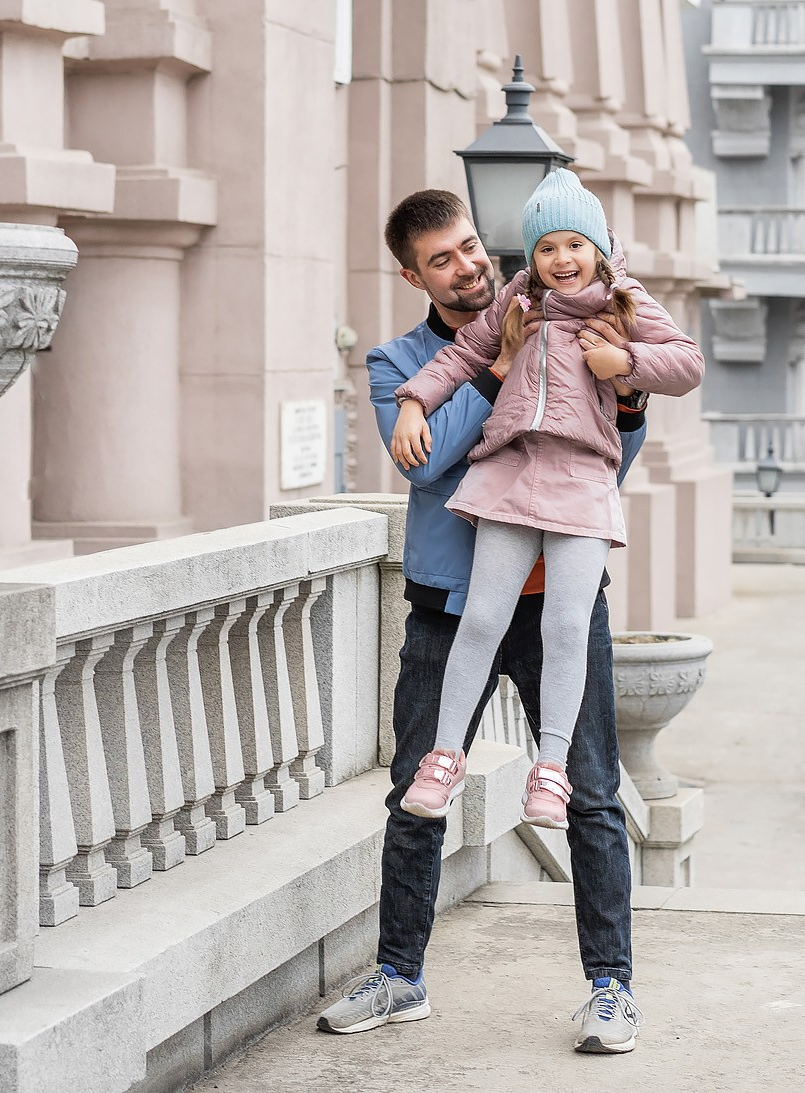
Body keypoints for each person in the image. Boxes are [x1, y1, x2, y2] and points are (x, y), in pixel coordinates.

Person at [317, 183, 651, 1054]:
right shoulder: (397, 366)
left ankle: (611, 989)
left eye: (470, 246)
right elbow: (428, 472)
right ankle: (400, 976)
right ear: (412, 274)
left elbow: (613, 449)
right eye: (442, 259)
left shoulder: (567, 317)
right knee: (416, 791)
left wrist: (629, 393)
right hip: (447, 606)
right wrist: (501, 367)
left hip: (557, 606)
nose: (466, 265)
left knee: (593, 795)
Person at [390, 169, 702, 837]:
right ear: (530, 255)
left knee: (566, 626)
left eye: (573, 244)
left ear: (596, 245)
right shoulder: (519, 301)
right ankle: (443, 759)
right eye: (546, 248)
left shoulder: (622, 298)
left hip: (582, 479)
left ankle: (551, 768)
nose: (561, 260)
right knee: (480, 618)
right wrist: (413, 401)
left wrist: (627, 366)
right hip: (510, 472)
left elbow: (687, 361)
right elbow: (462, 356)